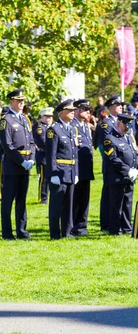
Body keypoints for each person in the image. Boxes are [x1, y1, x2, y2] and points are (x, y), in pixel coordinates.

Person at [0, 88, 35, 240]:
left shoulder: (25, 119)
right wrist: (21, 162)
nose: (21, 103)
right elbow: (7, 146)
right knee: (8, 200)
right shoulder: (6, 120)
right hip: (13, 165)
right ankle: (7, 232)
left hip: (26, 164)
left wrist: (32, 158)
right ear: (11, 101)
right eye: (18, 101)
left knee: (22, 200)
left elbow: (32, 141)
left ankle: (22, 230)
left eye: (22, 101)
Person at [46, 99, 79, 239]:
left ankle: (67, 232)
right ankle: (55, 233)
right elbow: (51, 154)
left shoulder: (71, 129)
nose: (73, 112)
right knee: (56, 205)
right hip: (59, 171)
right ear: (62, 112)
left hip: (70, 170)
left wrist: (76, 172)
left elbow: (74, 153)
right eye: (70, 110)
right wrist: (53, 173)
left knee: (68, 205)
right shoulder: (54, 129)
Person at [103, 113, 138, 235]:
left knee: (127, 204)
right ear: (119, 123)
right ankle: (115, 229)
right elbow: (112, 158)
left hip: (129, 177)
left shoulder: (128, 137)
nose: (128, 127)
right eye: (126, 124)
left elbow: (134, 154)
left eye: (129, 124)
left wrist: (135, 168)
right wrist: (127, 170)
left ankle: (127, 228)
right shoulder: (110, 139)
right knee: (116, 205)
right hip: (116, 177)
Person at [97, 95, 123, 232]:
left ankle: (117, 222)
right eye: (118, 105)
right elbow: (105, 145)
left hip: (122, 163)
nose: (121, 107)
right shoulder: (106, 123)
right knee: (108, 194)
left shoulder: (122, 121)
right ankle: (105, 224)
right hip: (111, 163)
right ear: (112, 107)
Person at [70, 99, 94, 236]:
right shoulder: (72, 125)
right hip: (76, 168)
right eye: (85, 109)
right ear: (77, 110)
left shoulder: (85, 126)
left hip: (86, 168)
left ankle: (81, 226)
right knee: (75, 199)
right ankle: (73, 226)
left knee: (84, 199)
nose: (87, 112)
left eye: (88, 110)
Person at [32, 107, 54, 204]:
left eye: (50, 117)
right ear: (42, 117)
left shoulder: (51, 127)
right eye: (47, 117)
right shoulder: (40, 128)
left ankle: (48, 196)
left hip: (50, 155)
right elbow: (42, 141)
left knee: (50, 177)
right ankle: (42, 197)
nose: (49, 119)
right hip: (43, 155)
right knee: (44, 178)